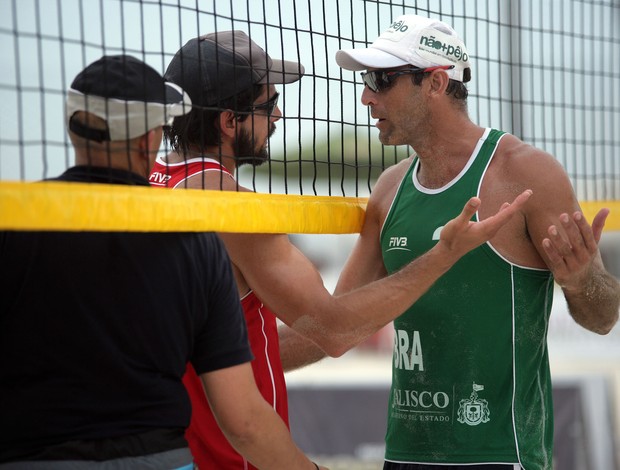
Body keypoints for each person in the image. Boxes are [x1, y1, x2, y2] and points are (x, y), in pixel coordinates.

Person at [150, 30, 533, 469]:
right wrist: (442, 256)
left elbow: (253, 348)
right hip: (225, 456)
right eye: (266, 104)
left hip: (166, 449)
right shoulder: (227, 204)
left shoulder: (149, 186)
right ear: (228, 122)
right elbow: (331, 329)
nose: (277, 114)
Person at [0, 55, 327, 470]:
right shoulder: (196, 237)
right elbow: (246, 416)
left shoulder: (15, 222)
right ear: (146, 138)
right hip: (157, 456)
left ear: (72, 127)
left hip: (33, 455)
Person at [333, 14, 620, 470]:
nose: (366, 95)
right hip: (406, 453)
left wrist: (583, 279)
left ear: (435, 83)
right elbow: (335, 326)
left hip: (500, 455)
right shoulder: (389, 189)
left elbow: (604, 317)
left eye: (381, 80)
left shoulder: (526, 173)